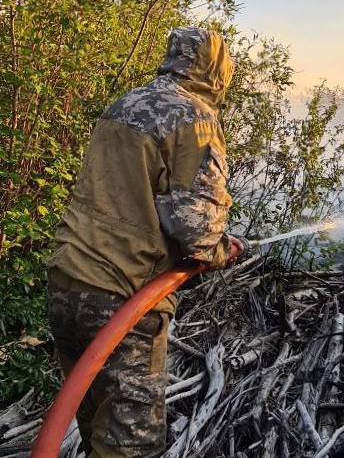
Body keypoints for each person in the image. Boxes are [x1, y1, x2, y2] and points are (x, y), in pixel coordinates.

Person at [46, 27, 243, 457]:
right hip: (122, 297)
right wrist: (221, 249)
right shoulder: (194, 118)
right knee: (130, 447)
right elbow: (197, 227)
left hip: (66, 284)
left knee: (97, 425)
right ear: (215, 69)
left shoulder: (124, 105)